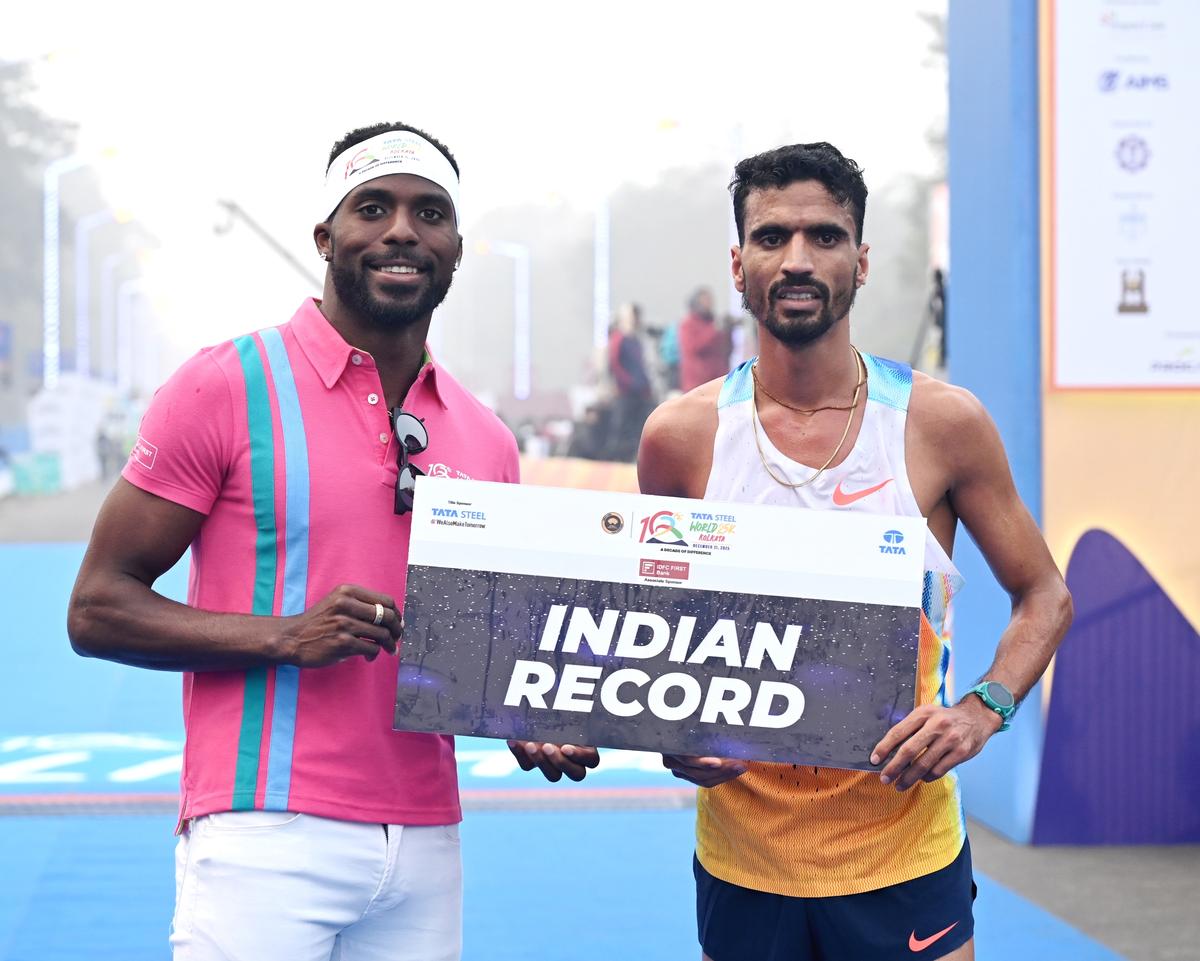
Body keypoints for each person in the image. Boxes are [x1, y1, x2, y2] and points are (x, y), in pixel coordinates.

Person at [67, 122, 594, 961]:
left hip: (426, 839)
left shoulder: (487, 436)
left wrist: (528, 715)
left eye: (430, 213)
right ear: (326, 236)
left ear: (456, 250)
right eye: (372, 208)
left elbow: (488, 650)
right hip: (261, 831)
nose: (402, 231)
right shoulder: (223, 385)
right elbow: (97, 607)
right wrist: (283, 635)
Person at [637, 142, 1072, 961]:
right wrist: (673, 731)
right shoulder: (680, 437)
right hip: (744, 861)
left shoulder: (940, 423)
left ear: (861, 261)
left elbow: (1044, 593)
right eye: (772, 237)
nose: (797, 259)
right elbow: (663, 636)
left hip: (904, 852)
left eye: (825, 236)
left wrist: (983, 709)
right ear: (738, 264)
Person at [605, 302, 654, 461]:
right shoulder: (618, 338)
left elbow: (640, 364)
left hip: (639, 391)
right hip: (625, 392)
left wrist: (645, 386)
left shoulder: (636, 340)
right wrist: (627, 382)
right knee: (621, 428)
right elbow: (614, 364)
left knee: (637, 428)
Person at [677, 286, 732, 392]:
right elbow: (693, 348)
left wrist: (728, 331)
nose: (708, 304)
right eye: (705, 301)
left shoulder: (714, 323)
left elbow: (726, 350)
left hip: (718, 382)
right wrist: (713, 330)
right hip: (697, 384)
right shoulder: (688, 324)